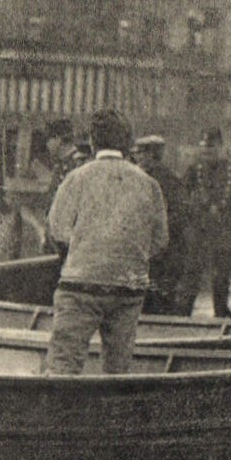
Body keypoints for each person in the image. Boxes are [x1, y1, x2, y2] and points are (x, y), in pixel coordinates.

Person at [45, 108, 168, 375]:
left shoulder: (76, 178)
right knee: (117, 370)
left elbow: (57, 230)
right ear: (127, 142)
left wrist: (83, 252)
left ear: (92, 140)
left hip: (81, 285)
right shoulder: (148, 184)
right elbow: (160, 240)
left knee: (64, 365)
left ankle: (61, 414)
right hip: (129, 287)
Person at [182, 126, 231, 318]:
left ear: (221, 147)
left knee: (222, 274)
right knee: (193, 272)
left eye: (212, 148)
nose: (208, 153)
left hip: (224, 230)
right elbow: (181, 197)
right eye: (205, 149)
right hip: (200, 228)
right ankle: (183, 311)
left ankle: (221, 311)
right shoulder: (193, 170)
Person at [132, 135, 195, 316]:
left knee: (160, 297)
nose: (137, 158)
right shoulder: (142, 177)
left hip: (166, 250)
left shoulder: (165, 180)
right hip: (150, 249)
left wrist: (157, 229)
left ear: (152, 155)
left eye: (141, 154)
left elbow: (182, 213)